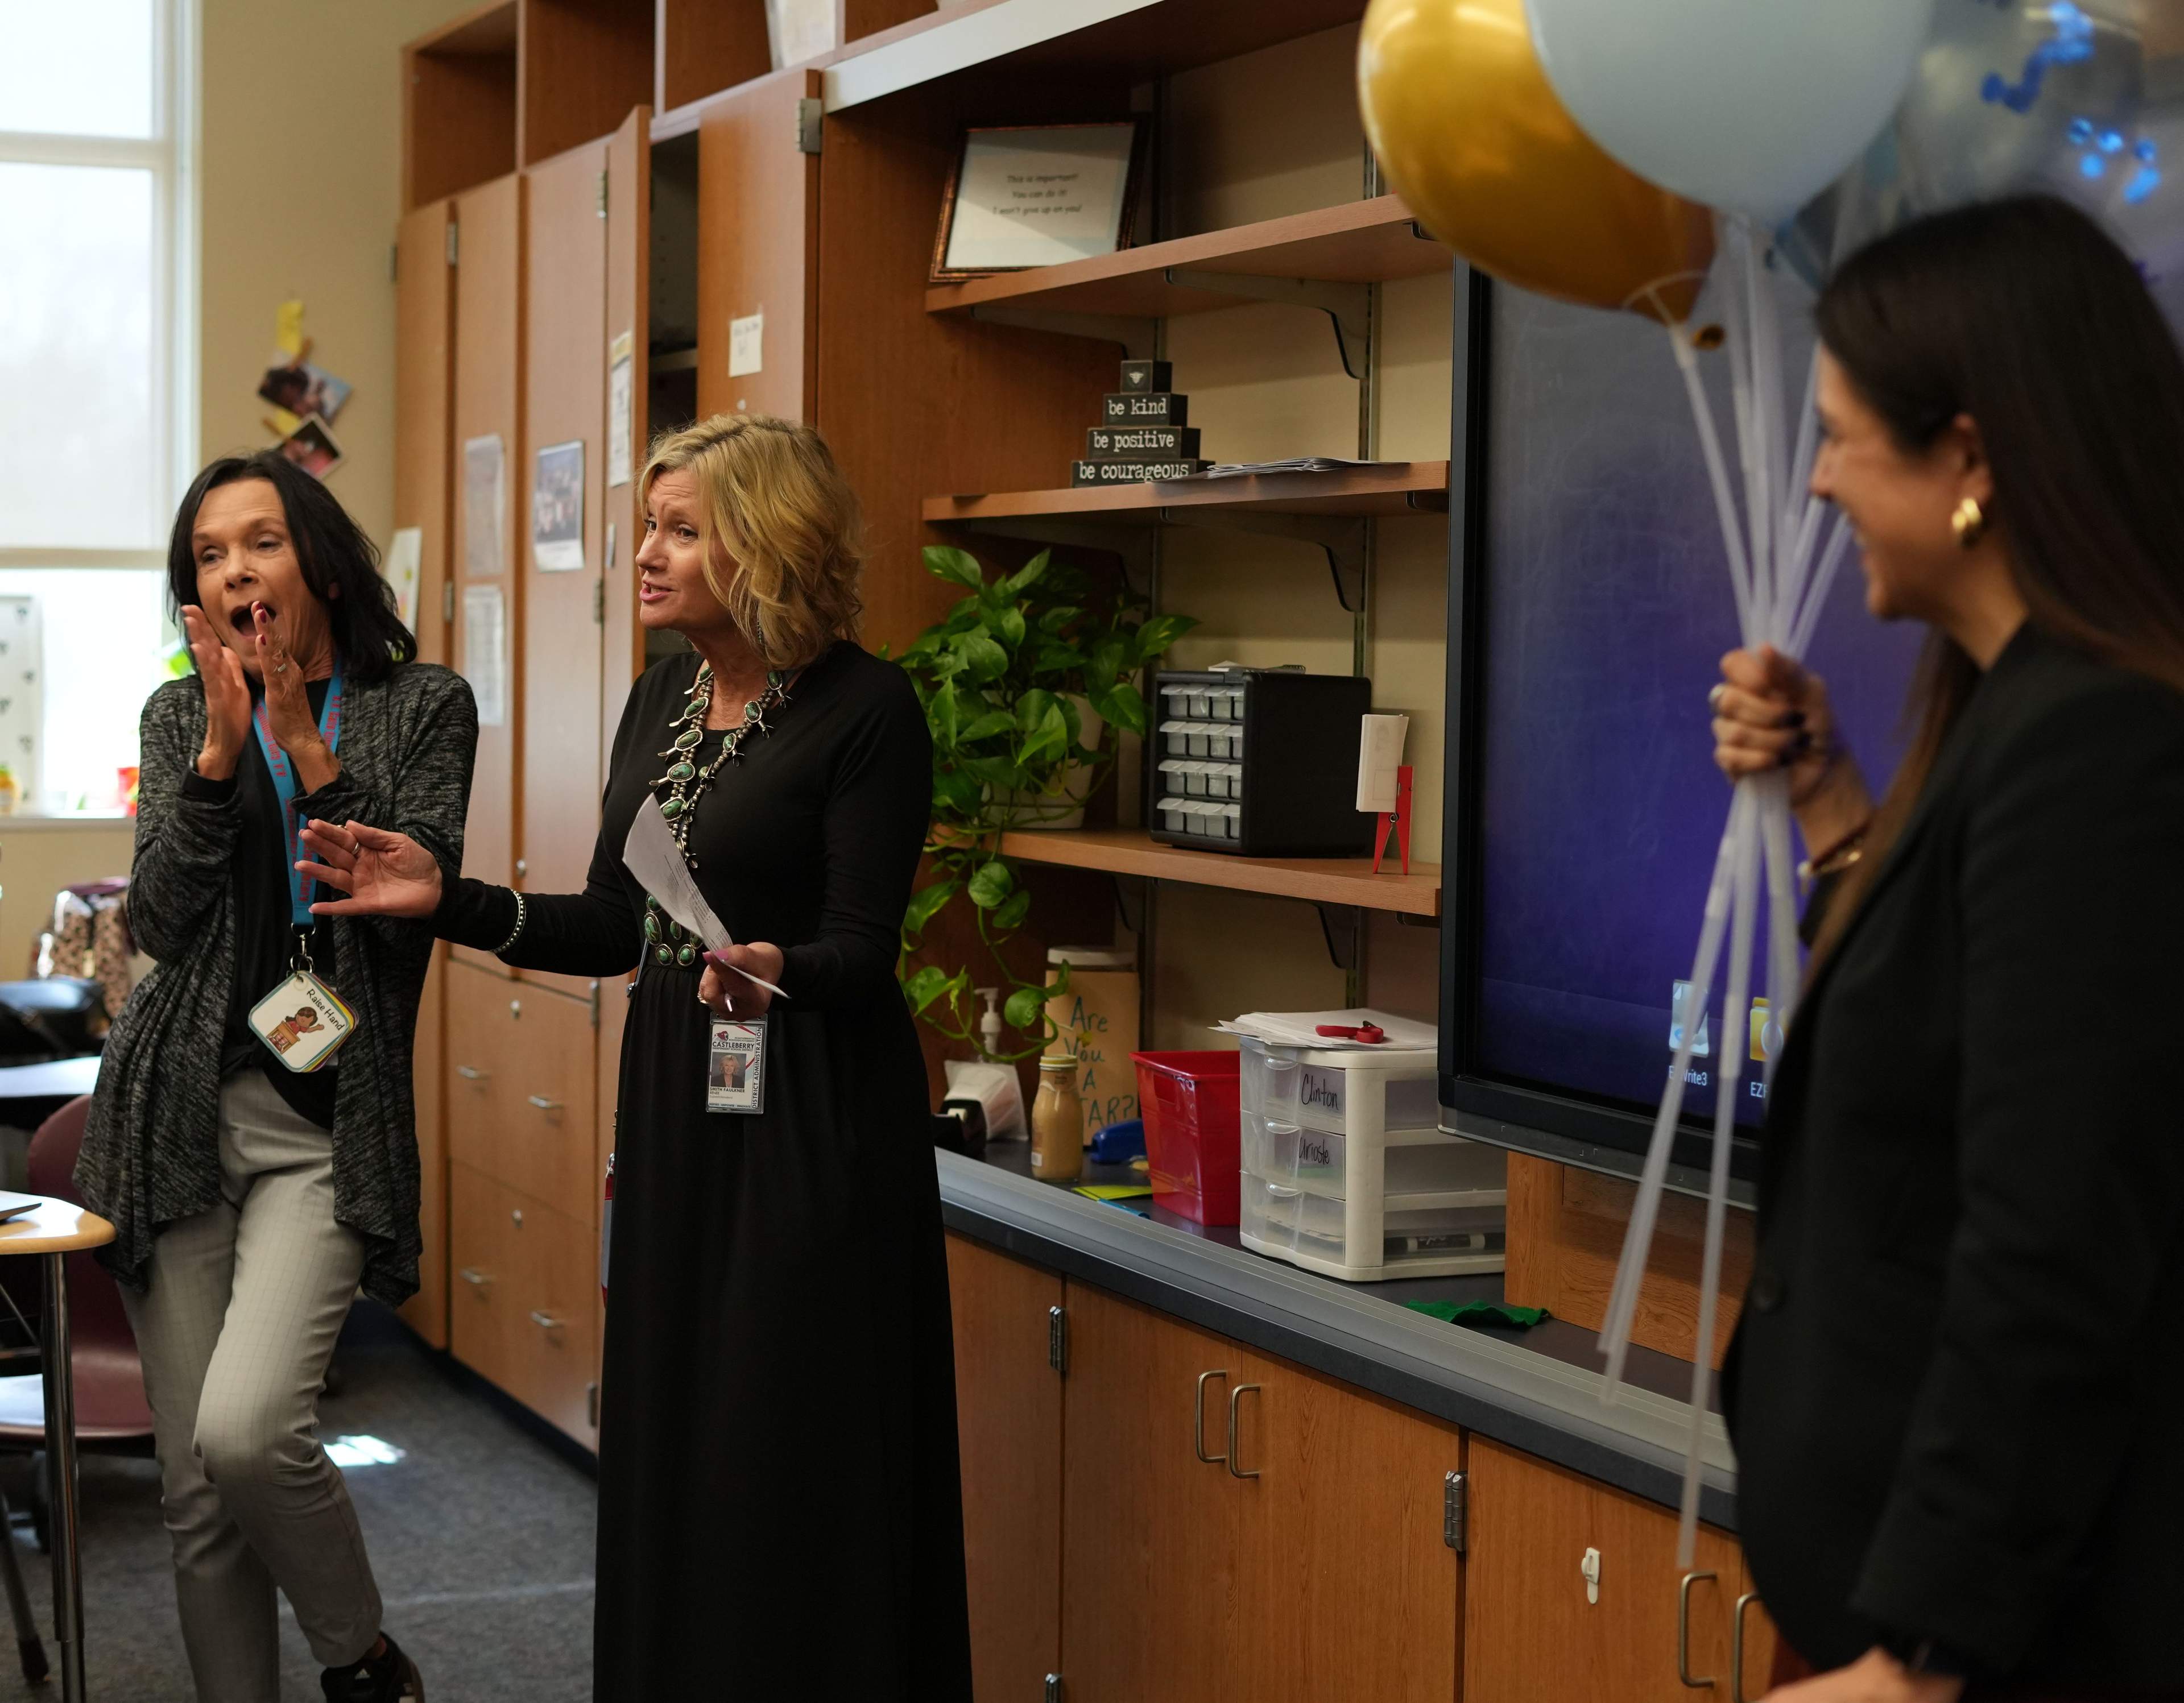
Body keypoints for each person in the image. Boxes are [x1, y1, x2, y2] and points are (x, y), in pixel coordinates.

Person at [297, 415, 975, 1700]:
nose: (646, 553)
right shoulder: (661, 696)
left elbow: (861, 948)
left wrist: (777, 967)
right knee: (677, 1423)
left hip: (812, 1112)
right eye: (647, 525)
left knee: (786, 1431)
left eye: (680, 530)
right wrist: (446, 899)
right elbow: (618, 924)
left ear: (766, 542)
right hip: (678, 1092)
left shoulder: (867, 709)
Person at [1707, 197, 2184, 1701]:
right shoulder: (2017, 718)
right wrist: (1832, 804)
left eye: (1843, 437)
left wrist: (1921, 1658)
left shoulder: (2100, 748)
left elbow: (2050, 1245)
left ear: (1968, 459)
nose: (1817, 478)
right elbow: (1941, 1025)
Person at [78, 451, 477, 1703]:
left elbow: (404, 913)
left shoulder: (424, 705)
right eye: (210, 554)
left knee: (249, 1434)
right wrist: (216, 759)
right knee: (197, 1497)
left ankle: (361, 1656)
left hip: (325, 1124)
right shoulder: (176, 715)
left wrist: (304, 744)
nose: (236, 571)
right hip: (175, 1118)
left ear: (322, 565)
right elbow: (155, 919)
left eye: (261, 542)